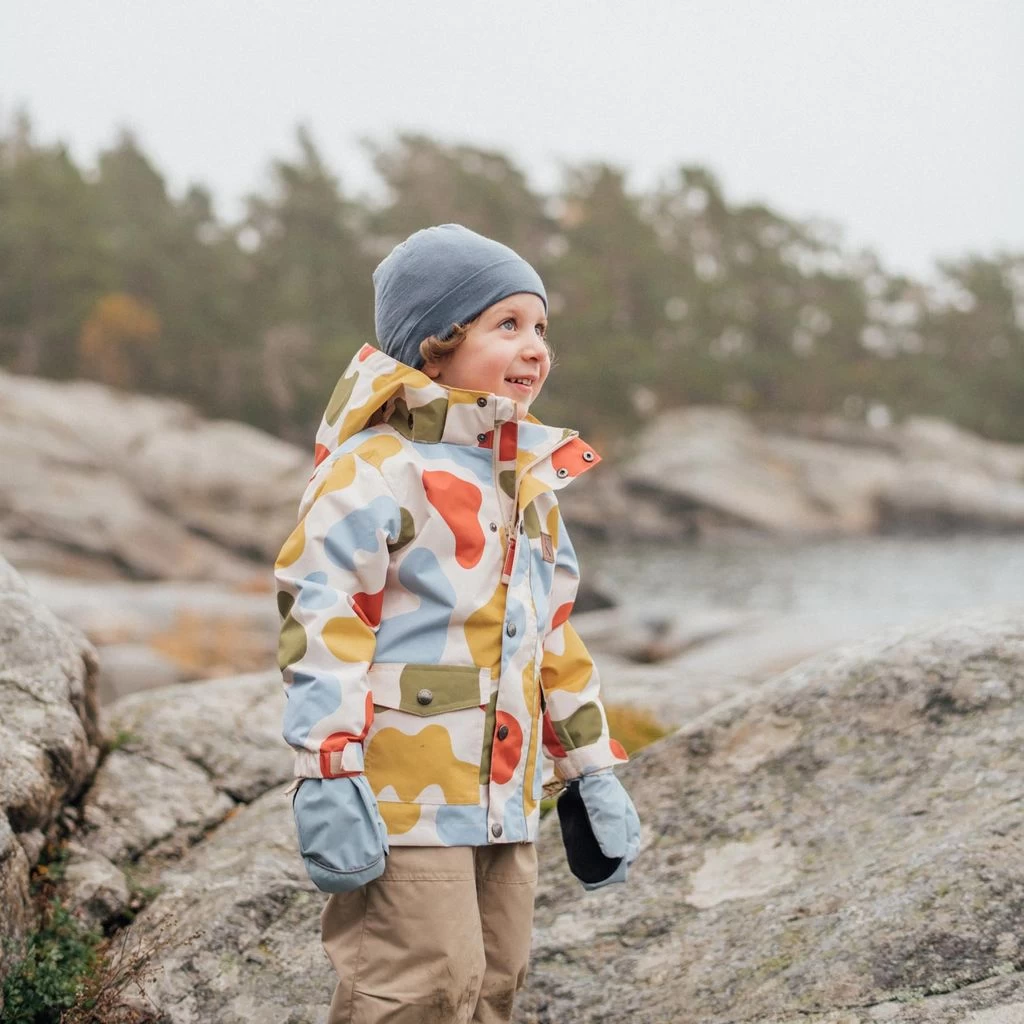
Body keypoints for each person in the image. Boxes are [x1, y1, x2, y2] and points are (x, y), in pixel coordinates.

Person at [274, 224, 641, 1024]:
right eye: (506, 324)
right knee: (417, 988)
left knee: (494, 983)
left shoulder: (528, 486)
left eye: (540, 327)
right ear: (435, 345)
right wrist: (327, 769)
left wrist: (590, 769)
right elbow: (323, 623)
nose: (534, 346)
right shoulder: (376, 469)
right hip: (405, 799)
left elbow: (554, 639)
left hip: (505, 799)